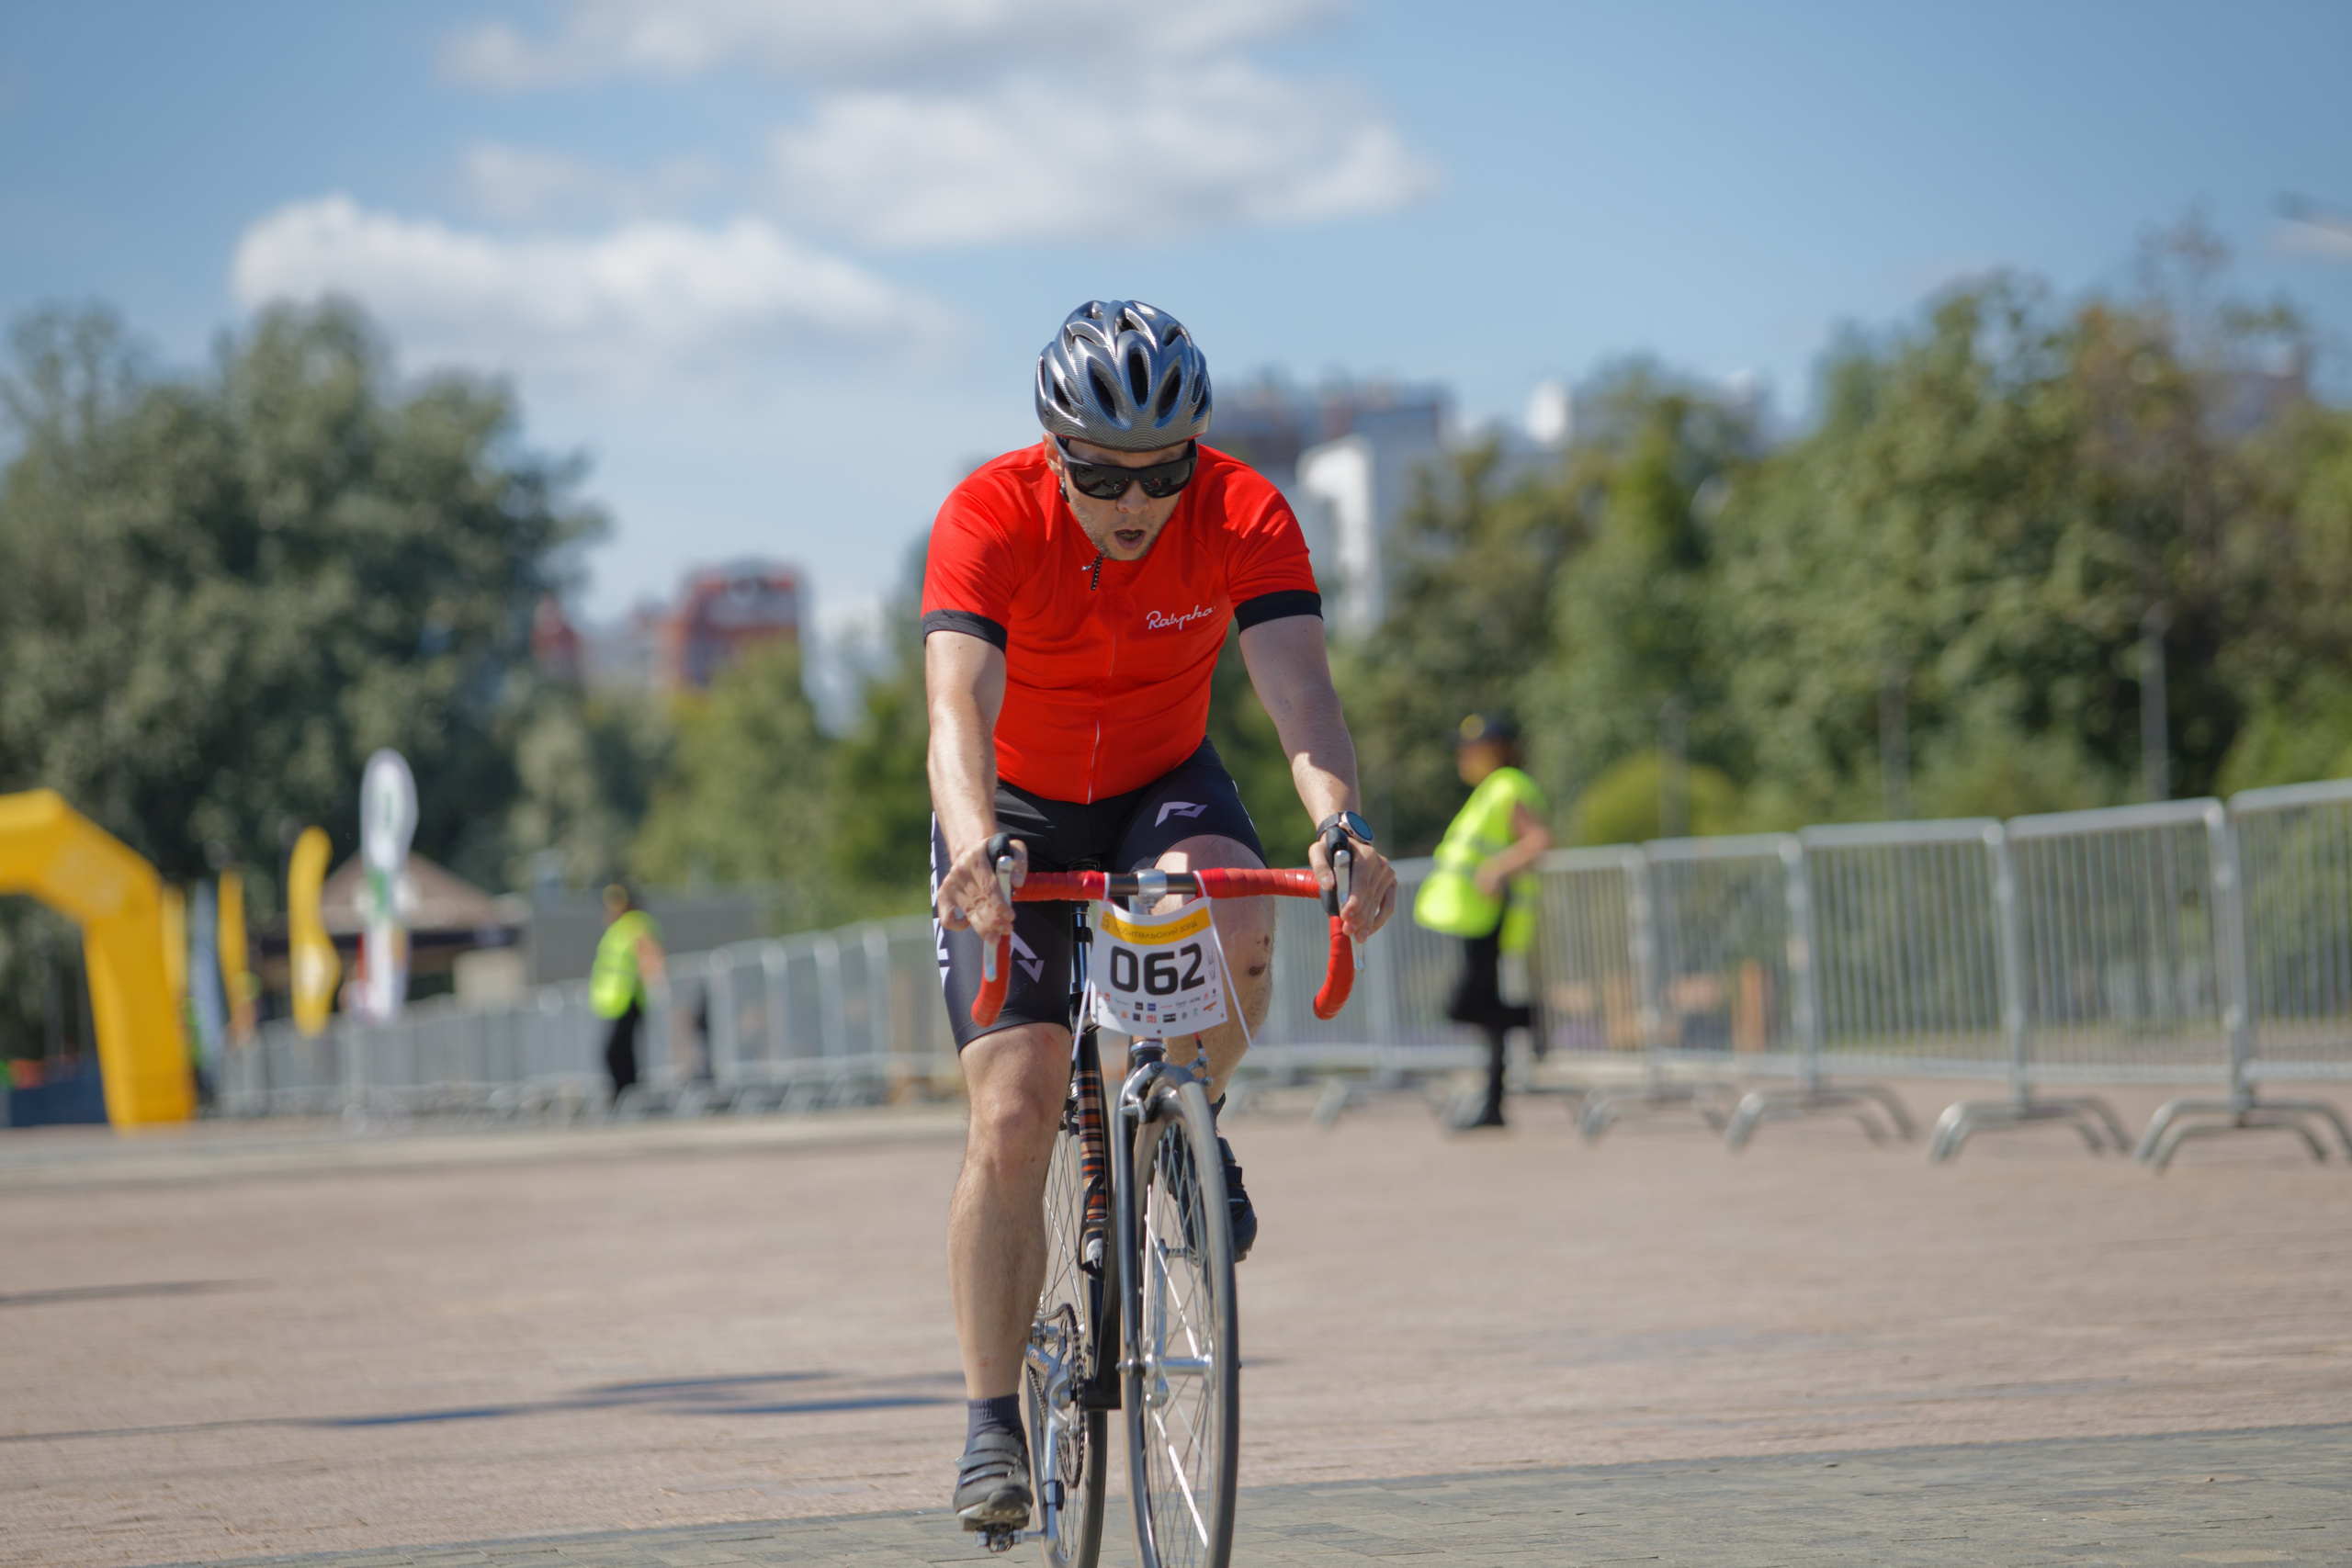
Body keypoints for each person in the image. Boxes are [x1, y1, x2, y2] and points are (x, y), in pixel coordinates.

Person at [926, 299, 1398, 1531]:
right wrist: (975, 844)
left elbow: (1302, 697)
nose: (1135, 500)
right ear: (1051, 450)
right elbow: (954, 712)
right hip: (1016, 805)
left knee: (1233, 914)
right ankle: (990, 1419)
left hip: (1159, 785)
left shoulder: (1243, 510)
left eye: (1163, 470)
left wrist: (1339, 822)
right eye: (1101, 473)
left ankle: (1189, 1118)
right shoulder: (987, 515)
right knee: (1017, 1101)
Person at [1414, 715, 1552, 1129]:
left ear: (1498, 749)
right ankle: (1493, 1105)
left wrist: (1497, 868)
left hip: (1491, 914)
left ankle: (1531, 1018)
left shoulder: (1507, 785)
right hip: (1476, 915)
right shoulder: (1491, 790)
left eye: (1472, 748)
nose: (1464, 755)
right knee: (1487, 1014)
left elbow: (1539, 839)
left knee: (1464, 1006)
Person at [588, 885, 664, 1105]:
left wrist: (655, 981)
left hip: (629, 999)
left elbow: (649, 953)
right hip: (615, 1003)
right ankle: (626, 1095)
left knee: (617, 1051)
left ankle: (628, 1095)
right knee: (618, 1051)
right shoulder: (619, 928)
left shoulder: (635, 923)